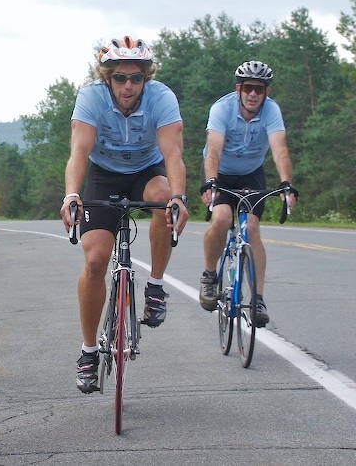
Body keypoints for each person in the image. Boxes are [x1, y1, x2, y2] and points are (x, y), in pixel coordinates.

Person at [60, 36, 189, 394]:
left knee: (164, 199)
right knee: (96, 261)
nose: (128, 86)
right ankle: (89, 353)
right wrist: (72, 194)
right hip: (104, 175)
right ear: (107, 77)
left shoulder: (161, 98)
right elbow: (79, 150)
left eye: (136, 78)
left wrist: (179, 198)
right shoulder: (91, 97)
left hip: (147, 171)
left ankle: (156, 287)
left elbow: (173, 153)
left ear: (147, 77)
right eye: (119, 77)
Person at [198, 61, 297, 326]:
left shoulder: (271, 110)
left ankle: (258, 299)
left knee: (252, 229)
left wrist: (286, 183)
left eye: (259, 89)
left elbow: (280, 149)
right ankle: (209, 276)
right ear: (238, 89)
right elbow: (214, 149)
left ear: (267, 92)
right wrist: (211, 182)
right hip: (219, 172)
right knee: (221, 218)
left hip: (251, 174)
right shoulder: (222, 109)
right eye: (248, 88)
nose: (253, 94)